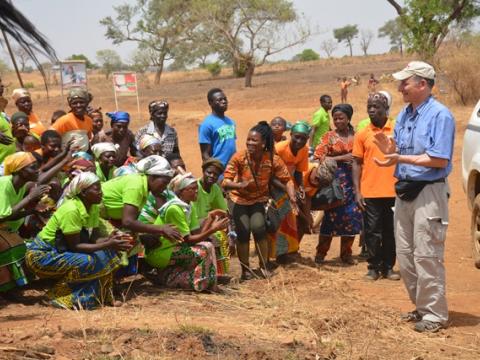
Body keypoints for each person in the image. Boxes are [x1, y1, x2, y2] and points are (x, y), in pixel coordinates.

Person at [373, 61, 455, 333]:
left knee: (427, 254)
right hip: (405, 189)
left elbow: (438, 158)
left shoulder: (439, 115)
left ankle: (434, 314)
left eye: (405, 83)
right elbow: (400, 148)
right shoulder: (405, 115)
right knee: (406, 254)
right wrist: (390, 148)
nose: (400, 88)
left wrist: (400, 157)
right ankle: (421, 307)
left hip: (429, 191)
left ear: (422, 84)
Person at [25, 172, 132, 309]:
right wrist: (108, 243)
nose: (101, 192)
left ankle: (103, 297)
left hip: (62, 252)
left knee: (109, 254)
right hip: (42, 256)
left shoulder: (92, 208)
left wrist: (111, 239)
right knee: (87, 261)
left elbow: (93, 239)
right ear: (83, 192)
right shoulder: (71, 210)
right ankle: (57, 296)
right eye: (97, 189)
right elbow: (75, 246)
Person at [223, 121, 297, 280]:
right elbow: (225, 181)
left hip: (258, 200)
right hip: (239, 199)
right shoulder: (239, 157)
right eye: (248, 139)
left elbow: (287, 179)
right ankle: (245, 270)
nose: (249, 143)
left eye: (254, 140)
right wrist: (239, 185)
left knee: (259, 228)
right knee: (243, 232)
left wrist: (292, 196)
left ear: (263, 143)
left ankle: (264, 265)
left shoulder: (272, 159)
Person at [144, 173, 229, 291]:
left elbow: (197, 235)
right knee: (205, 248)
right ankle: (204, 284)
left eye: (197, 189)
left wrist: (210, 218)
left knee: (206, 245)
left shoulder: (188, 206)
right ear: (180, 191)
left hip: (175, 249)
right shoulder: (174, 209)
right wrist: (213, 229)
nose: (196, 192)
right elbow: (188, 240)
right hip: (161, 252)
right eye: (192, 189)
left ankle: (207, 281)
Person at [352, 92, 399, 281]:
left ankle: (388, 267)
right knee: (372, 231)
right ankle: (373, 267)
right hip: (370, 191)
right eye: (369, 106)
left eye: (376, 106)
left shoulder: (397, 129)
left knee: (391, 231)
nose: (372, 110)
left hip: (394, 191)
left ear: (385, 108)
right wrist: (357, 191)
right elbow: (356, 162)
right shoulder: (363, 133)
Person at [314, 104, 362, 265]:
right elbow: (319, 156)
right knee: (330, 218)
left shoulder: (357, 136)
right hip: (334, 183)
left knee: (352, 217)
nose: (337, 121)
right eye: (335, 118)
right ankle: (320, 254)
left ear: (349, 118)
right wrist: (342, 158)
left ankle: (346, 254)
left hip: (353, 182)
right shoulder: (329, 137)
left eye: (341, 118)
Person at [0, 152, 50, 294]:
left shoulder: (21, 186)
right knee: (14, 247)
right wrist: (29, 198)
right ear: (21, 170)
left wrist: (32, 212)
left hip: (5, 229)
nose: (37, 171)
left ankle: (17, 287)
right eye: (33, 167)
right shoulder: (4, 184)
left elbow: (11, 215)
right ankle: (8, 291)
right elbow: (2, 217)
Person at [271, 121, 310, 262]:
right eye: (297, 137)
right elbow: (270, 174)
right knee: (286, 217)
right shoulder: (279, 148)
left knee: (300, 218)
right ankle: (279, 253)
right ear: (291, 135)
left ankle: (291, 250)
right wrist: (287, 190)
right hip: (274, 186)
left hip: (290, 187)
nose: (299, 141)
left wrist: (300, 189)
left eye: (303, 138)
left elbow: (298, 173)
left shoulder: (304, 150)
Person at [191, 158, 230, 274]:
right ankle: (213, 272)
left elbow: (224, 212)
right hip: (193, 224)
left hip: (206, 222)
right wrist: (212, 219)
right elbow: (191, 215)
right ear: (203, 171)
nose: (212, 176)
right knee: (216, 237)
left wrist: (230, 231)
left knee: (222, 234)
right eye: (209, 172)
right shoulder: (194, 187)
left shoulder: (215, 189)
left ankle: (219, 272)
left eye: (216, 174)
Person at [198, 88, 236, 167]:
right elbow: (205, 155)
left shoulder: (231, 122)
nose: (224, 101)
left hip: (232, 169)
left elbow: (231, 146)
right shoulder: (207, 125)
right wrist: (214, 172)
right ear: (210, 103)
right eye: (220, 100)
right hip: (219, 172)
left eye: (225, 99)